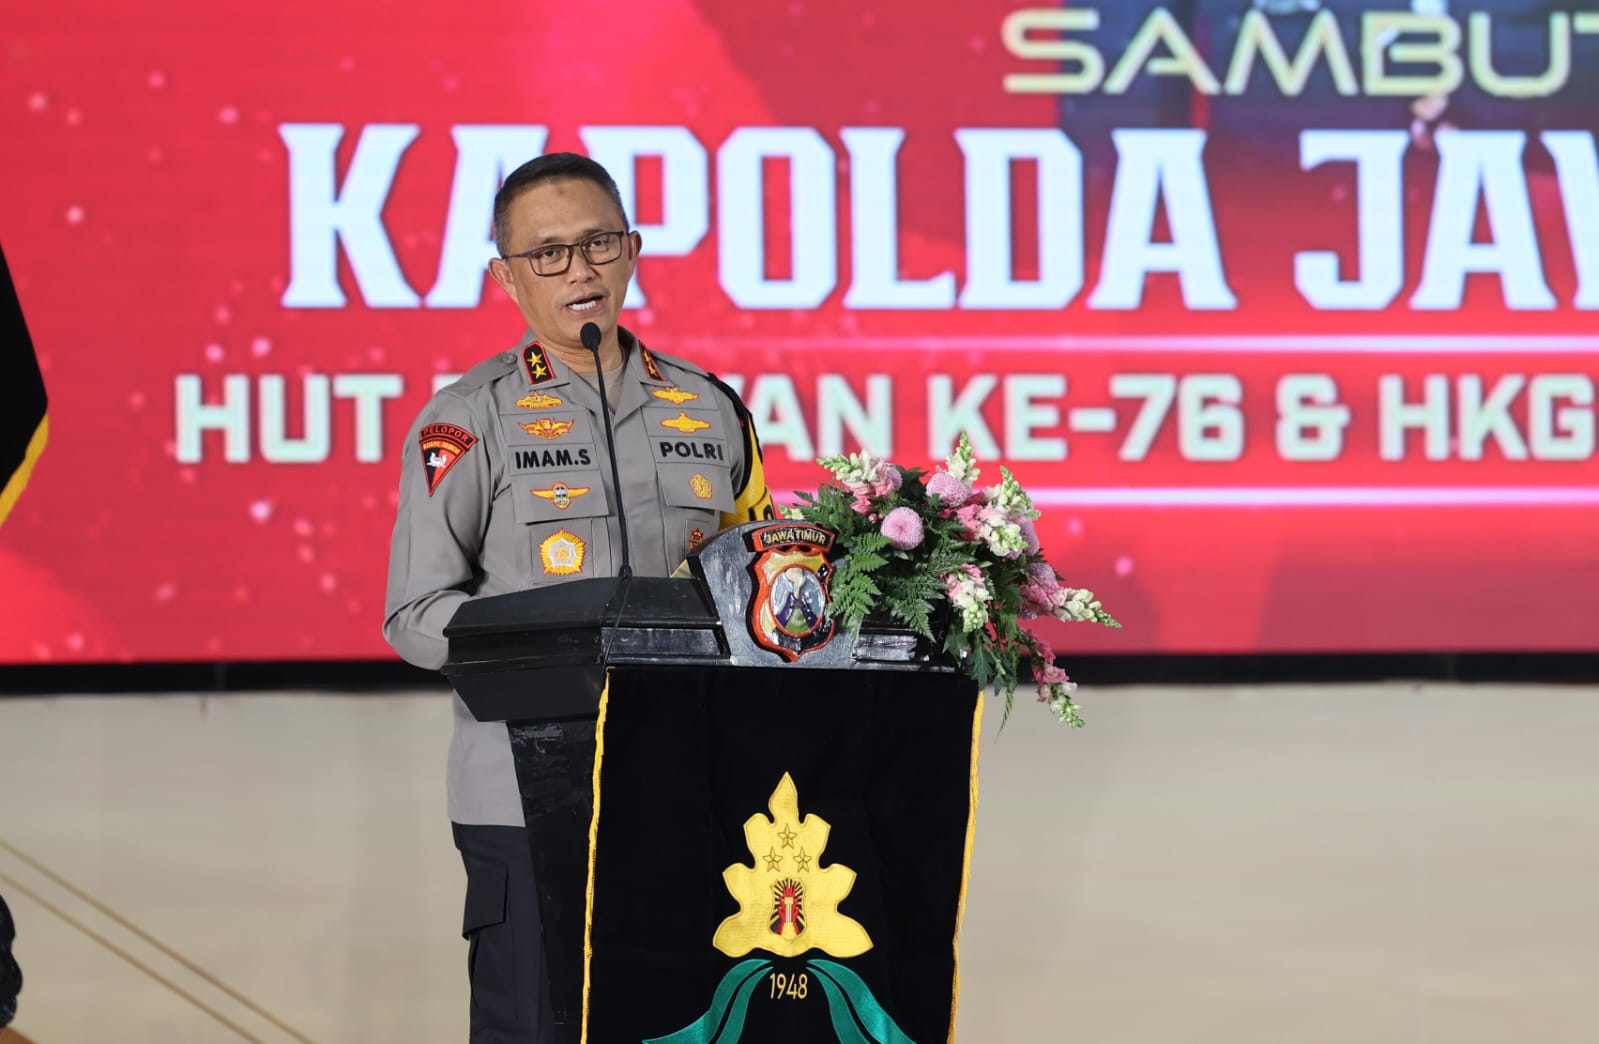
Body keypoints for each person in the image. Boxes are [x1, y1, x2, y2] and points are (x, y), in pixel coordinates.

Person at [383, 152, 774, 1043]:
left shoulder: (711, 408)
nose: (579, 270)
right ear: (506, 277)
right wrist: (551, 650)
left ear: (631, 250)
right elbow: (414, 615)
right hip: (525, 796)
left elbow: (755, 586)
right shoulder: (467, 417)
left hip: (682, 786)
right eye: (547, 253)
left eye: (597, 243)